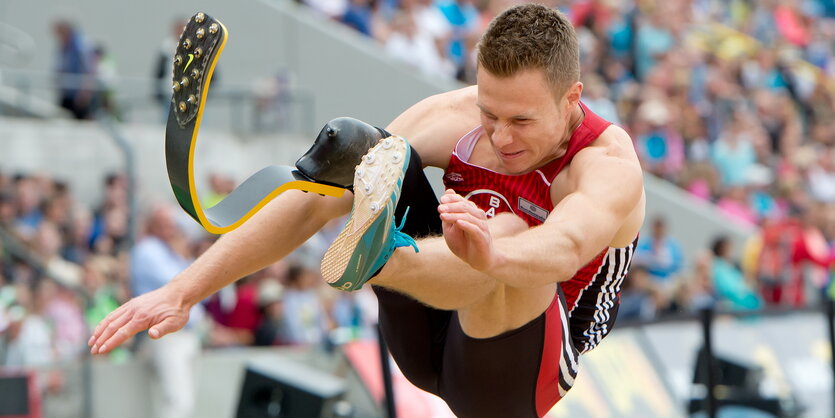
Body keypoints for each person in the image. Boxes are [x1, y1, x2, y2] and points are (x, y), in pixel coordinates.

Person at [89, 5, 645, 417]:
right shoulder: (454, 119)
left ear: (572, 99)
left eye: (520, 121)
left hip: (515, 374)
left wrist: (491, 251)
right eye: (488, 111)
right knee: (363, 147)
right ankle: (381, 250)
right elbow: (310, 210)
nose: (498, 135)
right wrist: (182, 291)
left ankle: (383, 257)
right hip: (422, 332)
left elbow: (566, 247)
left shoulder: (605, 163)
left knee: (509, 227)